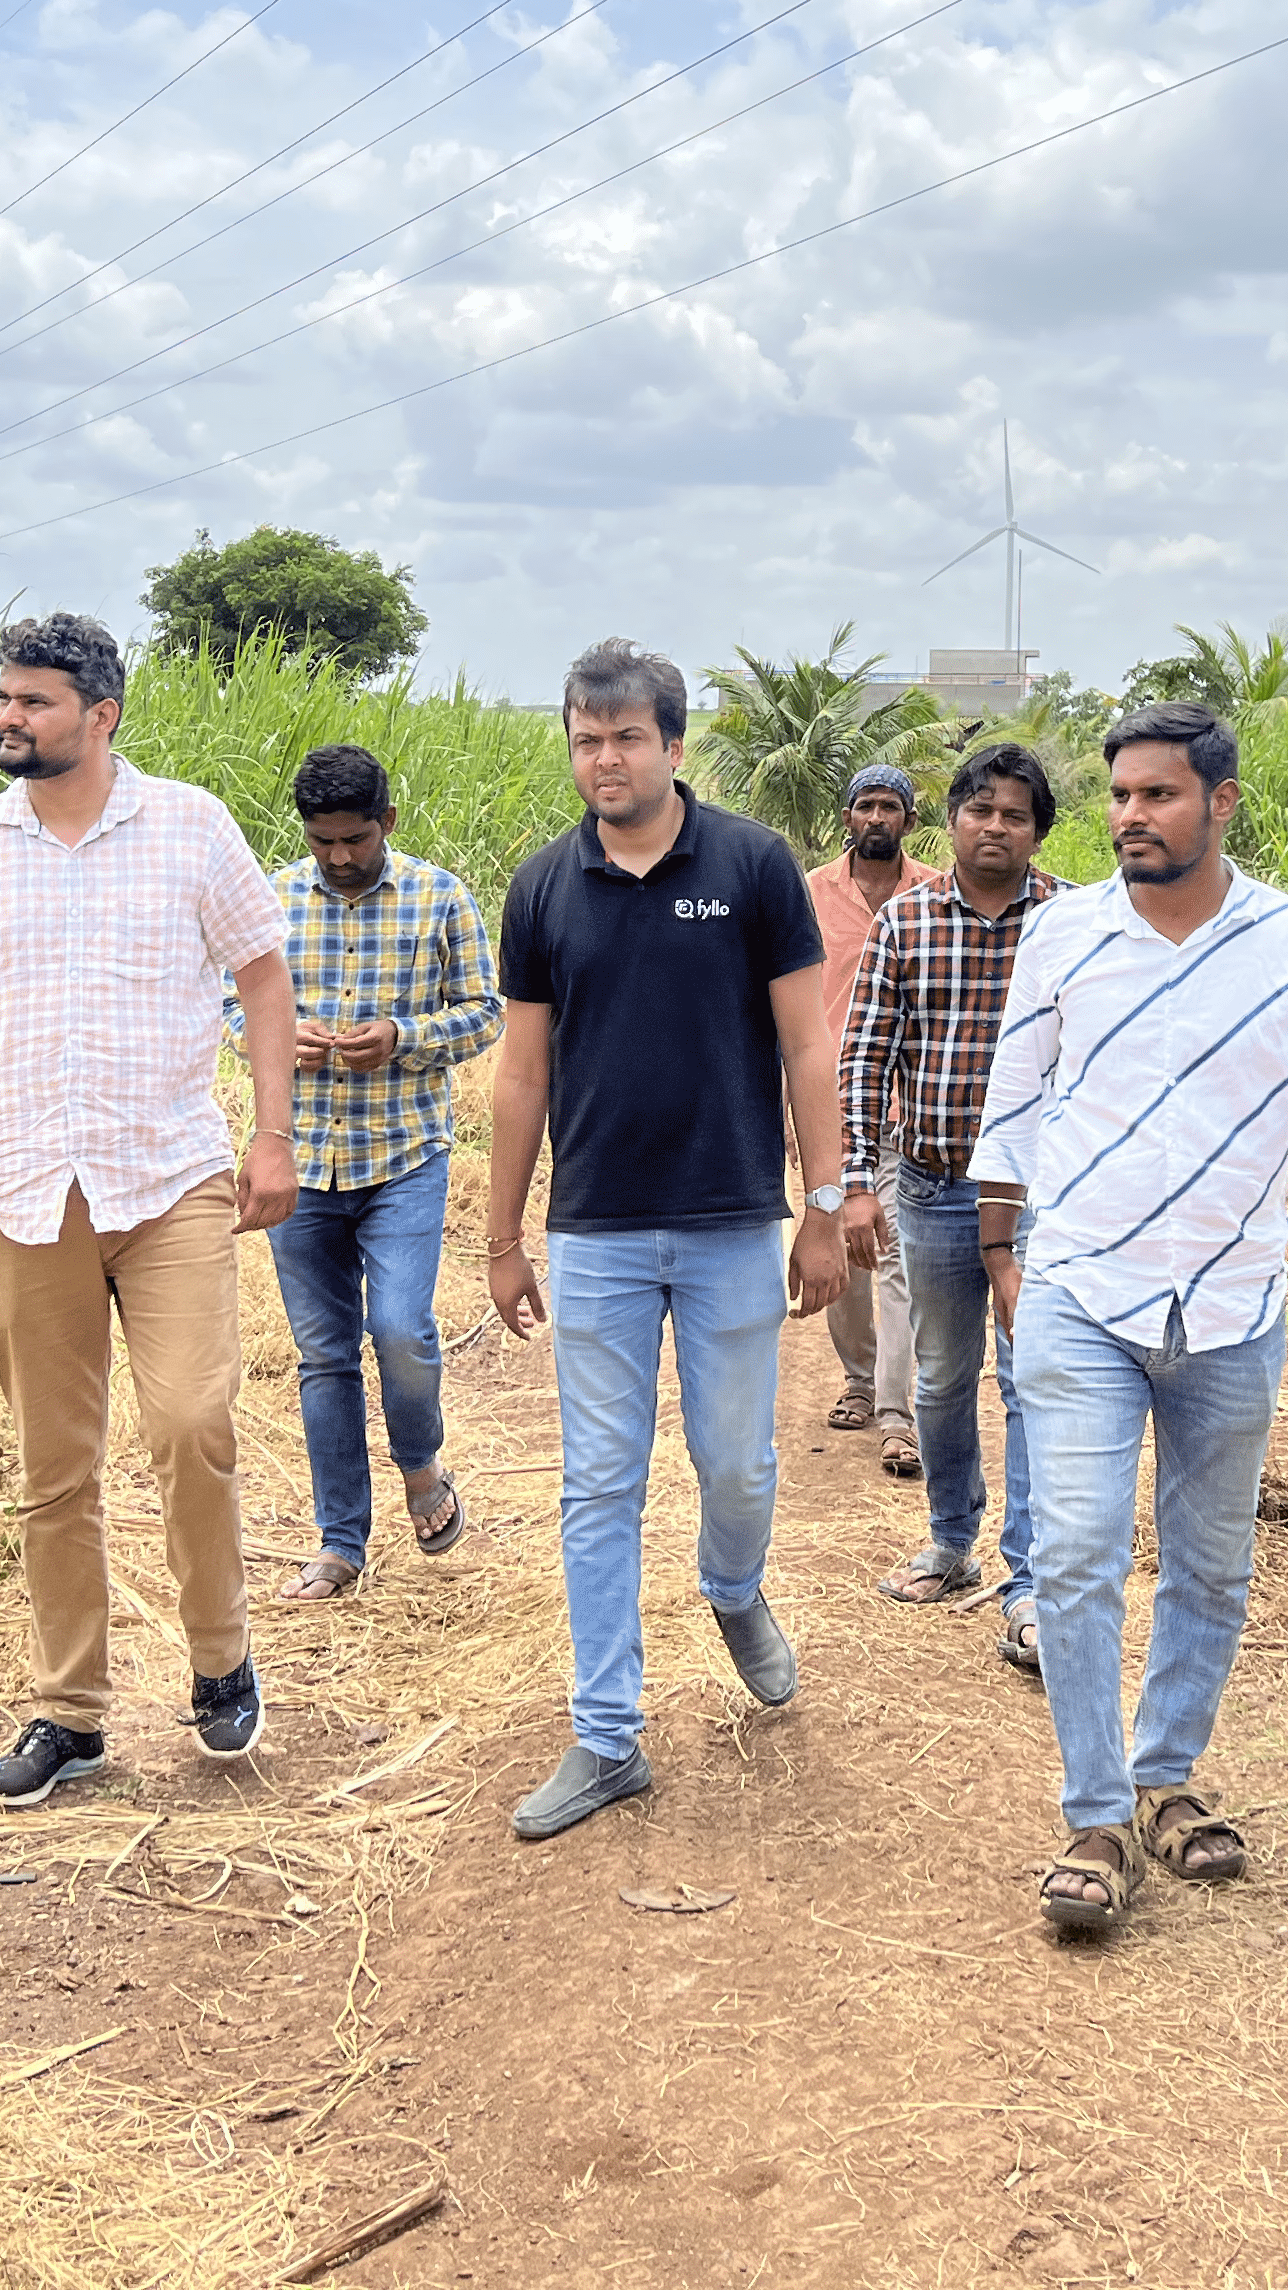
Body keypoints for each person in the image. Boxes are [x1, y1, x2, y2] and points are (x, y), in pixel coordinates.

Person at [969, 699, 1288, 1937]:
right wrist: (1004, 1254)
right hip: (1083, 1294)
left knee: (1210, 1565)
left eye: (1157, 795)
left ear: (1222, 800)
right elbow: (1014, 1099)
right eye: (1118, 797)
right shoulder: (1065, 938)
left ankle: (1167, 1782)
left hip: (1234, 1308)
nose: (1130, 818)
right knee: (1081, 1556)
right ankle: (1096, 1819)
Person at [0, 612, 299, 1809]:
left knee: (190, 1420)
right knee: (50, 1466)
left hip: (168, 1183)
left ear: (101, 717)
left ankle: (220, 1662)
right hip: (17, 1195)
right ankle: (71, 1712)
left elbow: (263, 973)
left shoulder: (190, 827)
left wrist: (272, 1133)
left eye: (35, 702)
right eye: (5, 697)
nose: (9, 717)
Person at [484, 637, 851, 1841]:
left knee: (737, 1465)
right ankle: (607, 1736)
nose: (605, 759)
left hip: (732, 1221)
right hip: (594, 1233)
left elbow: (807, 1046)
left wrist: (824, 1204)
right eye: (586, 740)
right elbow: (522, 1073)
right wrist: (502, 1235)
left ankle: (734, 1589)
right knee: (599, 1484)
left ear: (674, 746)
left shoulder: (749, 868)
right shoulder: (542, 888)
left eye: (627, 737)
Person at [836, 739, 1058, 1665]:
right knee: (940, 1377)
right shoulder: (908, 923)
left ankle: (1034, 1578)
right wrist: (854, 1182)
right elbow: (863, 1057)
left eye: (1014, 814)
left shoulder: (1076, 922)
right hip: (928, 1185)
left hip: (1041, 1199)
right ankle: (951, 1542)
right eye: (980, 809)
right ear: (954, 820)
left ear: (1037, 830)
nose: (995, 826)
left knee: (1034, 1379)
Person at [265, 741, 502, 1602]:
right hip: (298, 1160)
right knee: (323, 1356)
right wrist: (267, 1036)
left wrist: (404, 1040)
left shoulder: (440, 897)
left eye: (355, 840)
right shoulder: (273, 899)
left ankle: (421, 1463)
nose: (338, 858)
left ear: (387, 824)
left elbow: (485, 1014)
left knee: (400, 1328)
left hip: (403, 1154)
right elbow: (222, 1001)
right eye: (323, 842)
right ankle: (340, 1543)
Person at [804, 762, 939, 1474]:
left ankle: (896, 1412)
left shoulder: (935, 896)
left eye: (891, 806)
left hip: (908, 1106)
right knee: (843, 1258)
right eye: (866, 806)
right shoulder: (810, 896)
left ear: (909, 821)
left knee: (897, 1259)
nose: (877, 817)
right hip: (829, 1106)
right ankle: (858, 1378)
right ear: (848, 817)